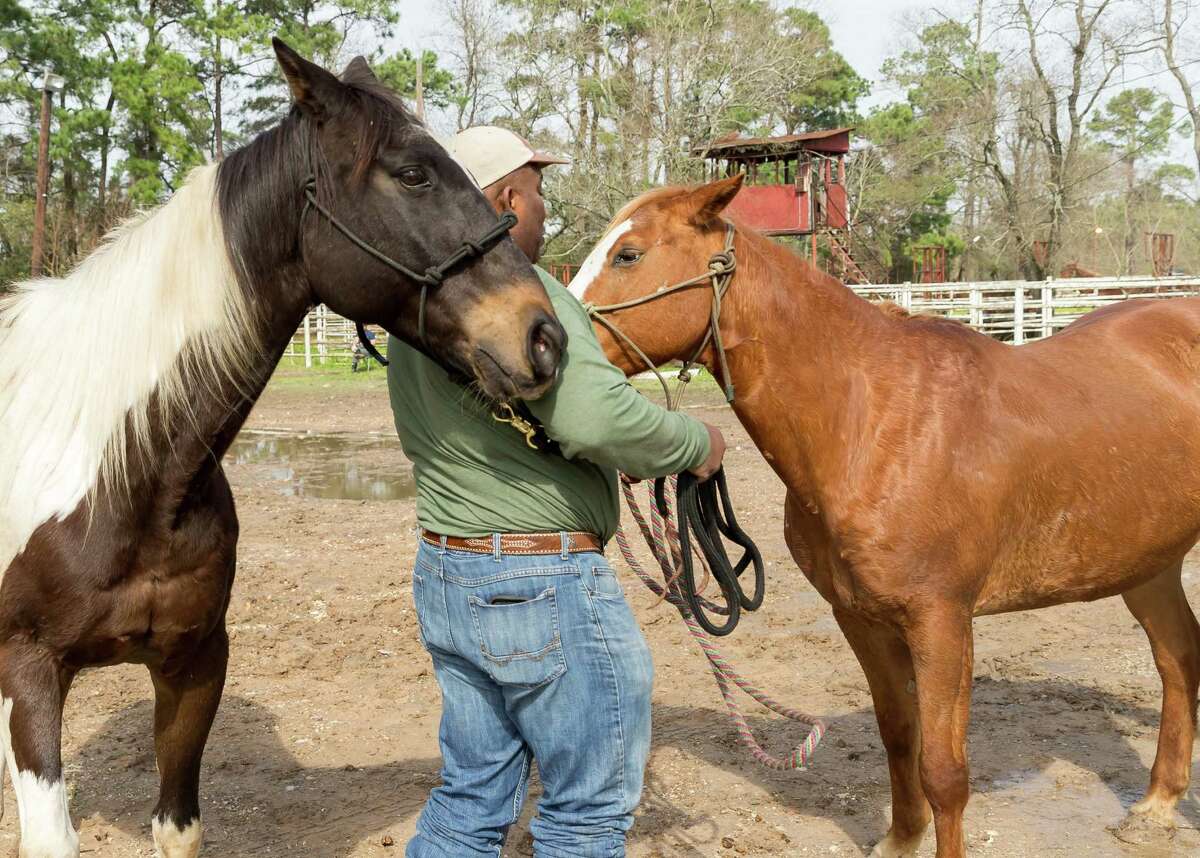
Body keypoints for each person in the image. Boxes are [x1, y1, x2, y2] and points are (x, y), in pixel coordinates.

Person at [388, 125, 725, 858]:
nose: (545, 211)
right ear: (507, 197)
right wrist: (695, 444)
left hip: (448, 568)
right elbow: (592, 414)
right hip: (540, 580)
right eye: (539, 194)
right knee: (587, 811)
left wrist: (595, 459)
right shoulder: (521, 296)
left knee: (471, 796)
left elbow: (517, 421)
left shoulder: (413, 307)